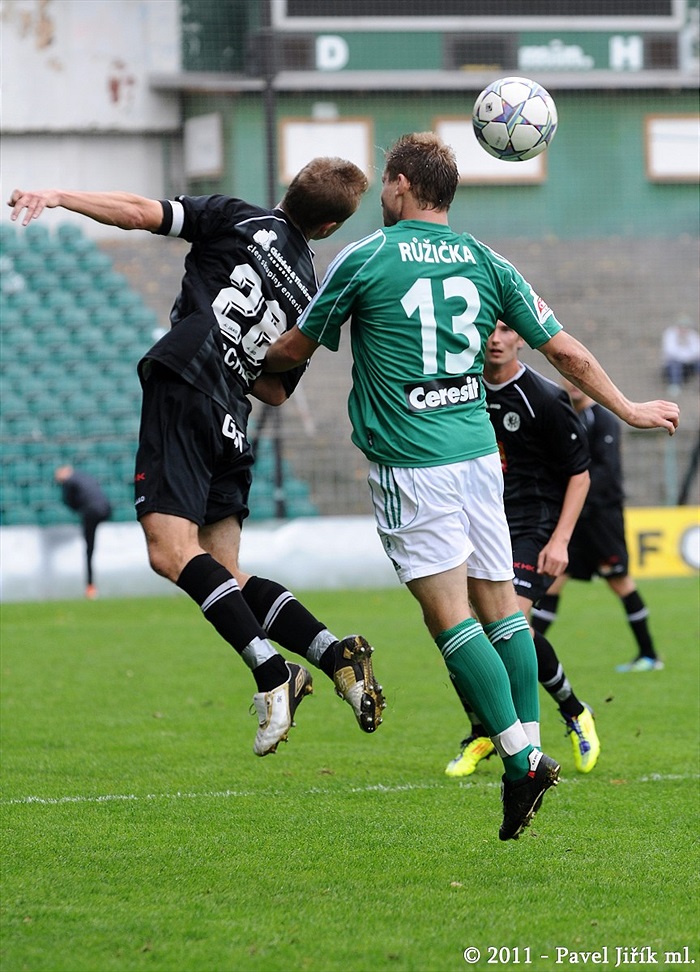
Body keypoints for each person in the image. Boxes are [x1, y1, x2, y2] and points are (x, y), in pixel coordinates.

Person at [263, 132, 679, 840]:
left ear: (397, 185)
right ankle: (528, 753)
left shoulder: (364, 257)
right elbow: (566, 350)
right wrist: (631, 408)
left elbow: (293, 349)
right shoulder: (489, 261)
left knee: (448, 616)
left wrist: (232, 356)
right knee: (502, 612)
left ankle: (522, 758)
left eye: (386, 187)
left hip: (410, 462)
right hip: (479, 457)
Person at [9, 158, 385, 758]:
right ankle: (328, 651)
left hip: (186, 378)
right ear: (330, 227)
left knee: (167, 550)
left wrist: (59, 195)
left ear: (289, 189)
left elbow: (138, 214)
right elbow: (277, 389)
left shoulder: (239, 217)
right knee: (224, 574)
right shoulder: (310, 293)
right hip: (233, 412)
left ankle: (271, 673)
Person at [444, 322, 600, 780]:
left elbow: (580, 473)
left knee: (509, 624)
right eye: (486, 329)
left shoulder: (544, 397)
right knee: (460, 628)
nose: (495, 339)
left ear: (520, 338)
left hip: (534, 525)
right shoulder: (462, 389)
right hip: (480, 523)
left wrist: (561, 540)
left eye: (507, 329)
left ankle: (574, 711)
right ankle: (482, 731)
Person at [532, 380, 664, 673]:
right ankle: (529, 656)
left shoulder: (603, 419)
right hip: (575, 518)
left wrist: (572, 496)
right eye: (569, 381)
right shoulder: (568, 416)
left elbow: (605, 471)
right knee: (553, 581)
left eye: (579, 382)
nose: (574, 387)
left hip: (602, 518)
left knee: (619, 582)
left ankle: (650, 655)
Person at [54, 464, 112, 599]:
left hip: (91, 512)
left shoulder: (69, 482)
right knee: (91, 547)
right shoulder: (84, 477)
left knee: (89, 550)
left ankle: (90, 586)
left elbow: (68, 501)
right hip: (106, 509)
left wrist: (79, 508)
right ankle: (91, 586)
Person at [661, 317, 700, 392]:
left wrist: (686, 357)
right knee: (674, 364)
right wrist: (685, 356)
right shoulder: (670, 334)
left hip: (689, 364)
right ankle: (674, 385)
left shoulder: (692, 335)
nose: (683, 329)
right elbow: (670, 351)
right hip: (672, 366)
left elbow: (697, 350)